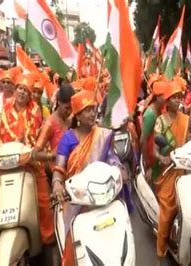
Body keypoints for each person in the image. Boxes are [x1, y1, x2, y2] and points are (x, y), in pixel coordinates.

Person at [51, 90, 128, 266]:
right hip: (77, 199)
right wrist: (56, 184)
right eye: (87, 110)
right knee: (71, 243)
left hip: (102, 196)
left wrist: (119, 169)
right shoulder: (68, 139)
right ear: (77, 114)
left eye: (94, 109)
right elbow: (59, 168)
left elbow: (111, 158)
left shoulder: (102, 135)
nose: (93, 114)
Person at [0, 74, 59, 264]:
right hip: (7, 165)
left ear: (30, 95)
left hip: (30, 163)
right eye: (20, 88)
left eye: (26, 91)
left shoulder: (35, 111)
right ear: (16, 89)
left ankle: (48, 240)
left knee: (44, 200)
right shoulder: (5, 110)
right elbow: (0, 137)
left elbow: (32, 138)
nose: (22, 92)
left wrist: (26, 148)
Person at [152, 82, 189, 264]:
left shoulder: (185, 119)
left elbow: (188, 142)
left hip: (184, 168)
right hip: (167, 170)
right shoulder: (160, 121)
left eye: (179, 97)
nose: (177, 100)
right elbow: (154, 149)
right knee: (167, 211)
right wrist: (161, 157)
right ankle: (160, 250)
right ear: (167, 100)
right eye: (174, 97)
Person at [139, 80, 169, 180]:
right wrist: (147, 164)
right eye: (164, 96)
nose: (167, 98)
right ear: (157, 97)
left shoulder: (160, 109)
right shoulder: (150, 114)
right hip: (151, 158)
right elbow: (143, 140)